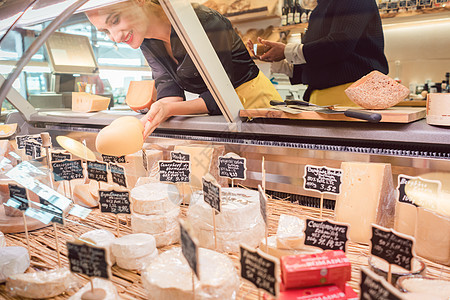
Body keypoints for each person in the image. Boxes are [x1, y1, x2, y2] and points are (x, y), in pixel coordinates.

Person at [86, 0, 282, 137]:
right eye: (105, 32)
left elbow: (221, 94)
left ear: (139, 0)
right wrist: (152, 118)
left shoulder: (204, 22)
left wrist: (168, 109)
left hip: (255, 107)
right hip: (220, 116)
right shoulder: (144, 39)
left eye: (115, 20)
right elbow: (168, 86)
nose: (116, 38)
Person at [248, 0, 389, 107]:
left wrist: (286, 51)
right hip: (323, 100)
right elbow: (319, 60)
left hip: (353, 98)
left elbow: (339, 45)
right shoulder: (320, 8)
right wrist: (276, 58)